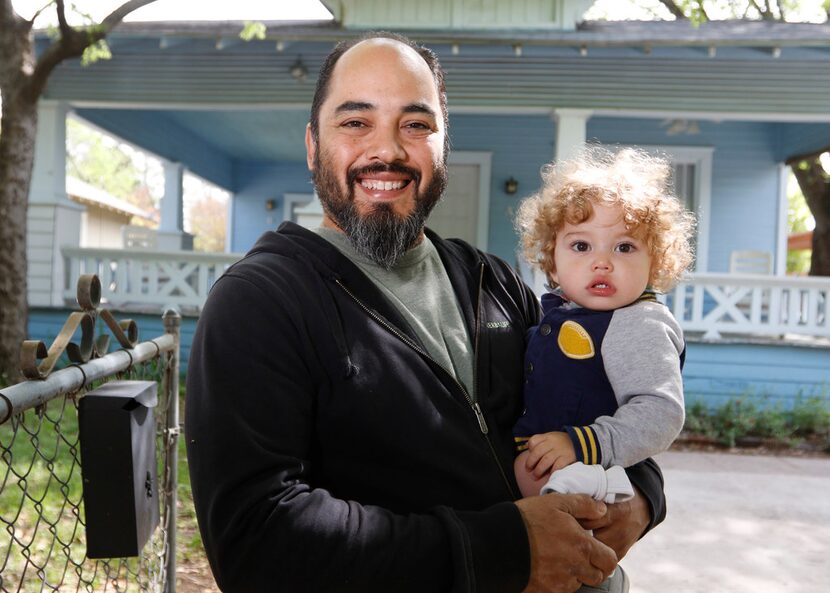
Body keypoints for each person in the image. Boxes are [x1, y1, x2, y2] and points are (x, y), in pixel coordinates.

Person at [185, 32, 667, 593]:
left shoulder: (493, 281)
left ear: (443, 147)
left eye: (416, 124)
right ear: (314, 146)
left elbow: (594, 392)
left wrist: (642, 494)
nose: (386, 150)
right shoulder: (260, 302)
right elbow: (255, 540)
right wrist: (504, 550)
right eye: (355, 122)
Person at [512, 147, 695, 590]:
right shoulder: (559, 313)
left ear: (658, 262)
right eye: (581, 245)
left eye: (625, 247)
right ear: (551, 259)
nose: (602, 261)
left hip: (589, 480)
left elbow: (660, 412)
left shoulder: (638, 323)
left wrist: (583, 444)